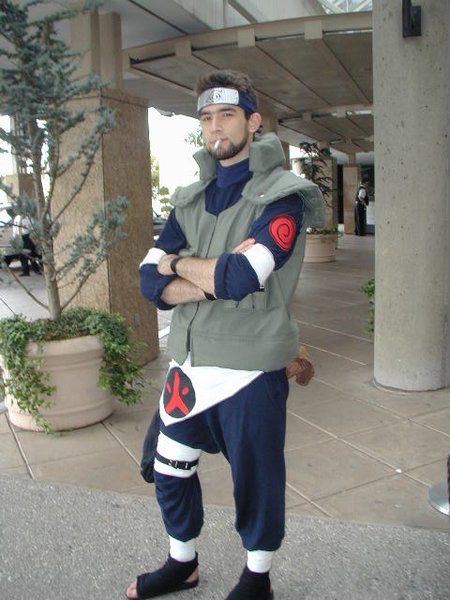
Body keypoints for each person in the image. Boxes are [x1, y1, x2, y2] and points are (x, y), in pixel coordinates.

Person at [129, 70, 324, 600]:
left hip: (249, 368)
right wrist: (207, 275)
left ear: (253, 121)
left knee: (256, 479)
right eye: (207, 117)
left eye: (227, 115)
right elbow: (148, 281)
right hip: (189, 364)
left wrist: (177, 265)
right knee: (169, 468)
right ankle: (182, 564)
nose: (215, 126)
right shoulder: (190, 198)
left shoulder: (283, 197)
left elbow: (240, 278)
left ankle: (257, 578)